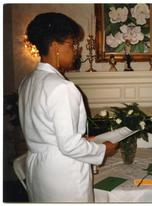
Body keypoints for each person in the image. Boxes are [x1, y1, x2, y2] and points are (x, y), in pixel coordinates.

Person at [18, 12, 118, 202]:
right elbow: (69, 146)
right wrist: (103, 150)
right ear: (55, 46)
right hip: (64, 175)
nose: (76, 50)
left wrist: (88, 139)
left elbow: (48, 132)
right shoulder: (62, 87)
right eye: (71, 44)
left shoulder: (28, 81)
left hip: (39, 171)